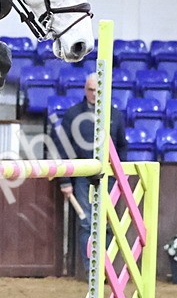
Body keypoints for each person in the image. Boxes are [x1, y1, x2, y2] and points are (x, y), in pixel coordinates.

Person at [55, 73, 128, 271]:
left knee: (108, 223)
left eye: (97, 90)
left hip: (108, 177)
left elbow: (122, 147)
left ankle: (105, 268)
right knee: (87, 223)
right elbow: (63, 147)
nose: (94, 94)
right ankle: (92, 270)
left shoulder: (115, 116)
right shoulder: (73, 114)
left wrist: (120, 175)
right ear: (85, 90)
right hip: (82, 176)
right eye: (91, 90)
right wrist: (64, 180)